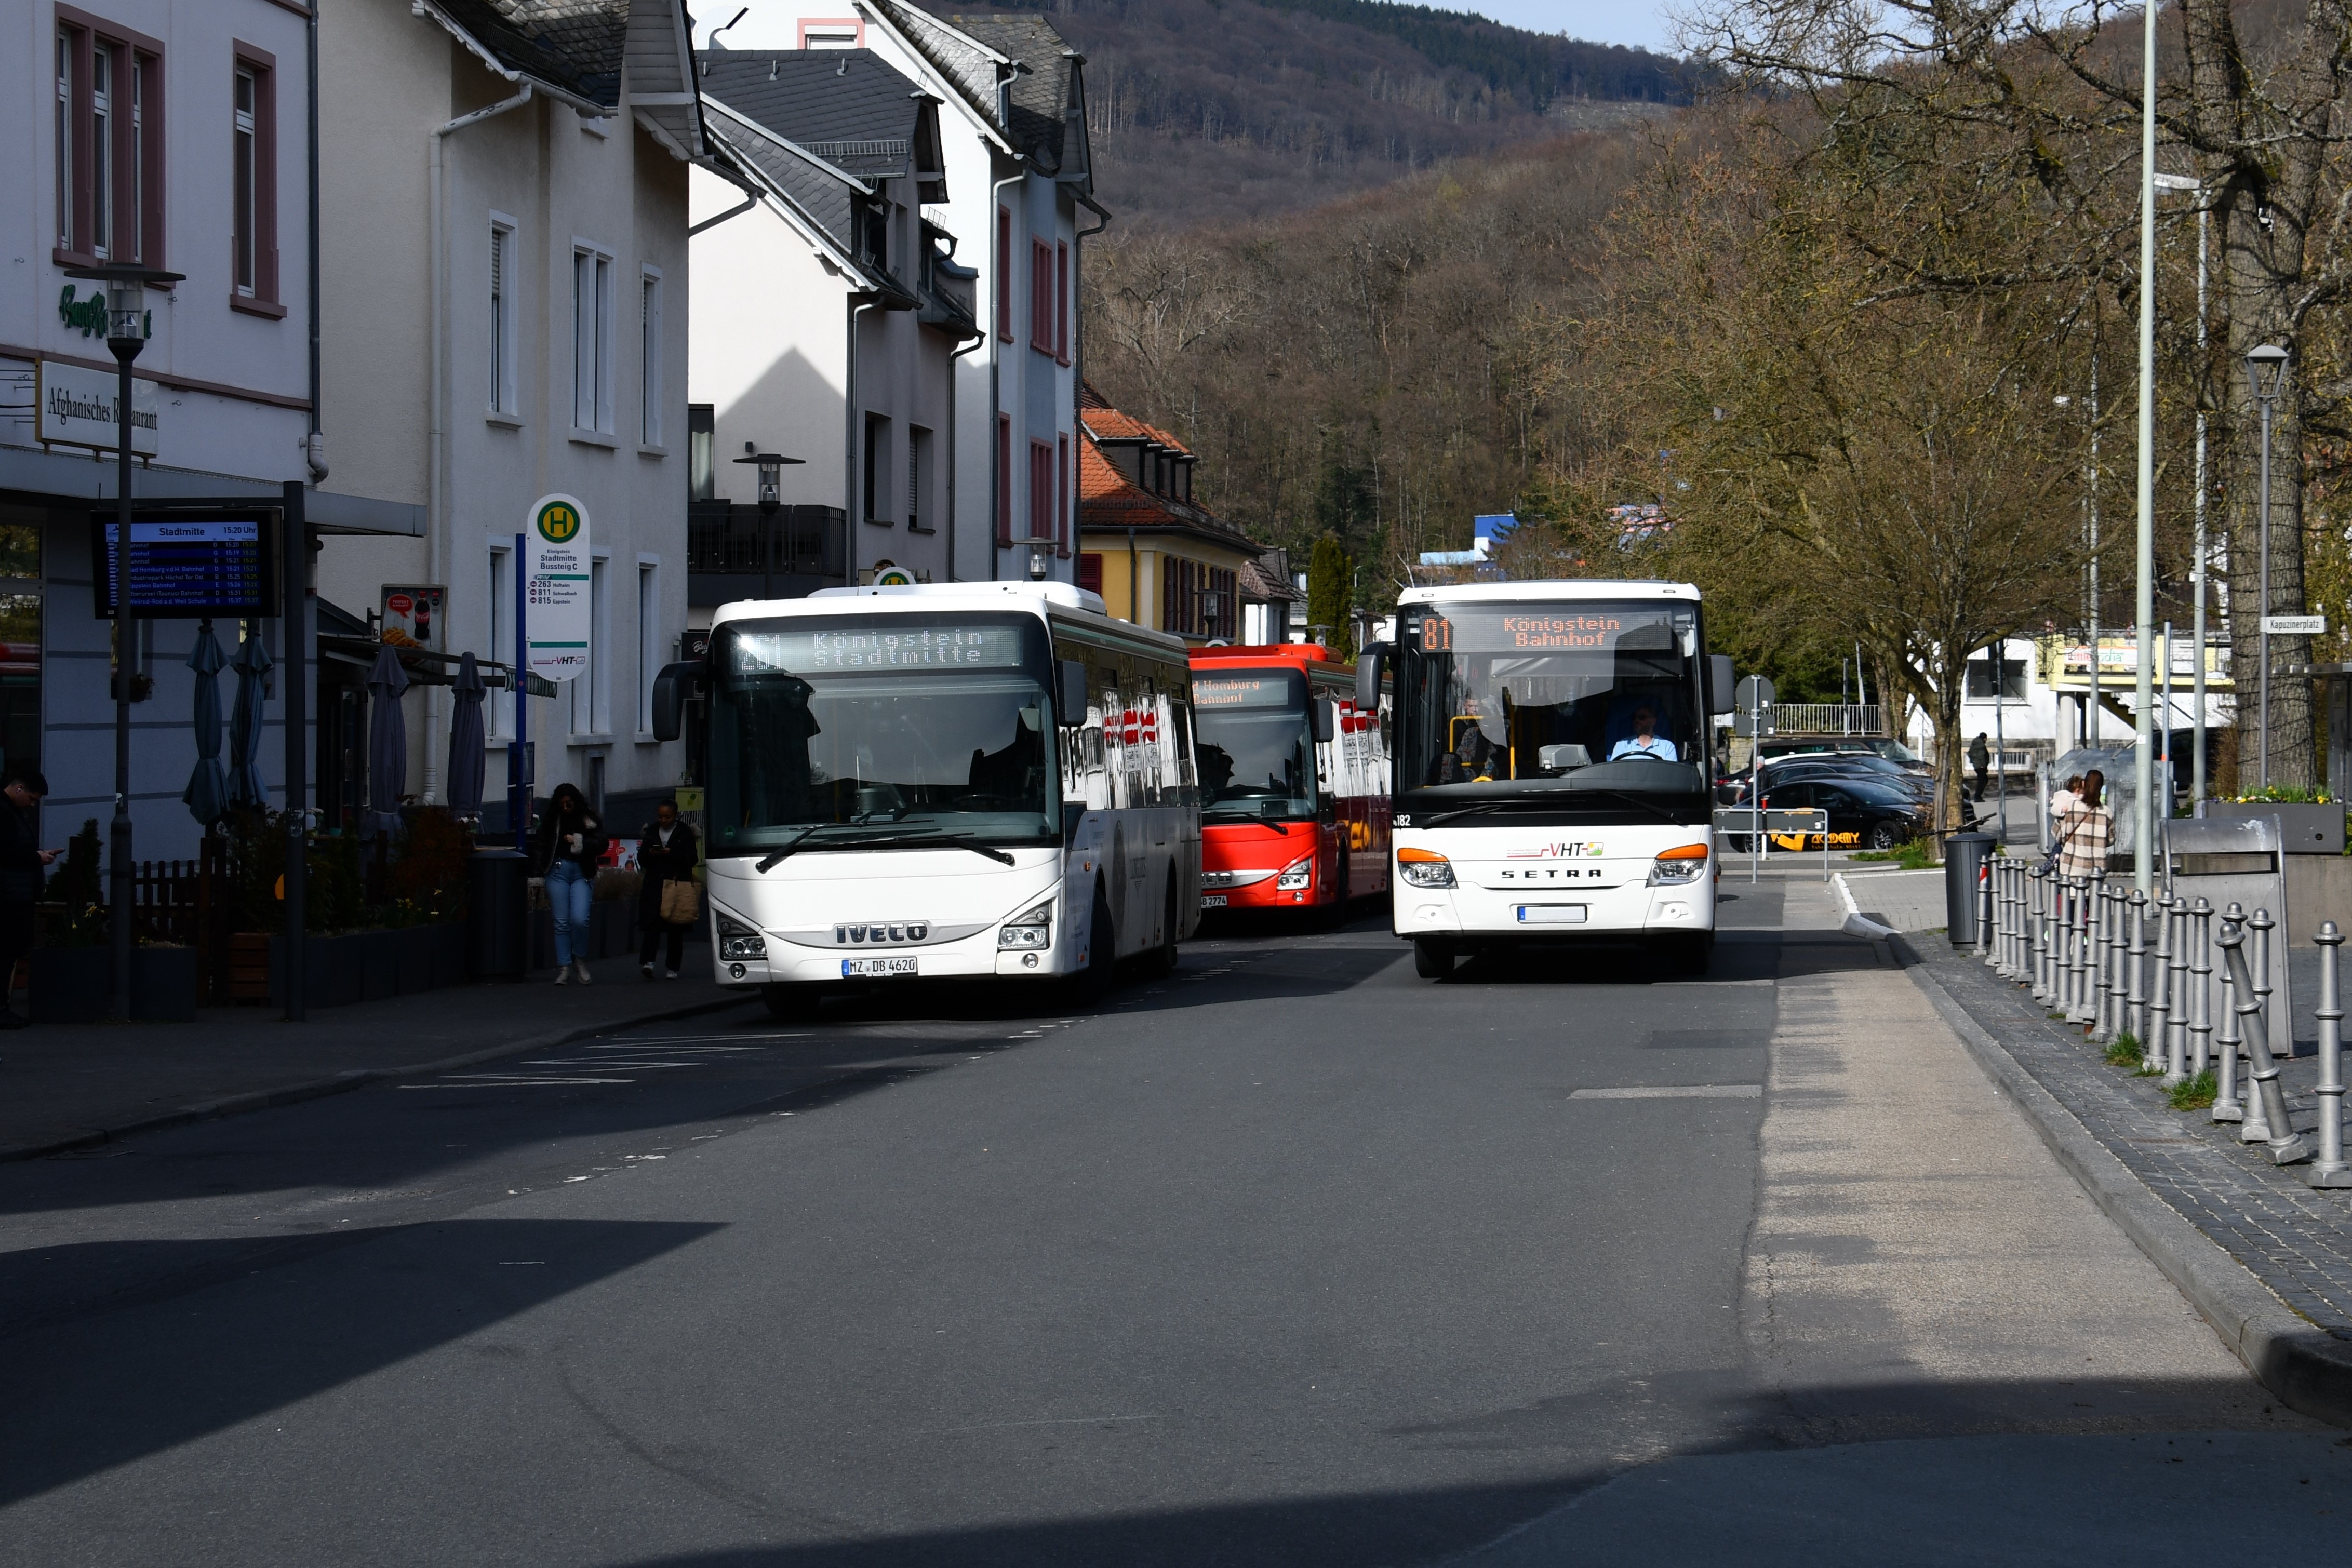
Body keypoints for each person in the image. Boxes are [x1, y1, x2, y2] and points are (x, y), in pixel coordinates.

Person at [0, 768, 58, 1029]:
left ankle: (3, 1007)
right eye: (32, 798)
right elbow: (7, 853)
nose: (33, 805)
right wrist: (37, 858)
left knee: (9, 952)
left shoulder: (14, 813)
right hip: (8, 896)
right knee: (5, 952)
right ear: (19, 788)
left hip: (15, 893)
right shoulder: (5, 813)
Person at [533, 783, 607, 984]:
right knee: (561, 922)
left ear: (576, 801)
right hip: (557, 871)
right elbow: (540, 843)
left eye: (569, 803)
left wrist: (579, 841)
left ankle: (579, 959)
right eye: (562, 804)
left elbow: (602, 843)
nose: (566, 808)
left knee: (580, 919)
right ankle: (564, 967)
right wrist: (540, 869)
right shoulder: (552, 820)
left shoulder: (587, 818)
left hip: (581, 872)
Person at [637, 799, 699, 981]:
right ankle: (648, 962)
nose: (663, 820)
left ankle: (673, 966)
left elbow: (691, 859)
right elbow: (642, 858)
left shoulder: (684, 832)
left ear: (675, 816)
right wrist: (651, 853)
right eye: (660, 817)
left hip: (675, 882)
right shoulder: (651, 832)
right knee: (652, 925)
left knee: (675, 927)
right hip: (654, 884)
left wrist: (671, 853)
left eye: (668, 817)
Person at [2054, 769, 2113, 878]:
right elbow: (2111, 840)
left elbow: (2057, 834)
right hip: (2097, 870)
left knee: (2071, 895)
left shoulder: (2071, 807)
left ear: (2084, 784)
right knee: (2094, 895)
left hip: (2072, 867)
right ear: (2101, 787)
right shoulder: (2106, 812)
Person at [1608, 706, 1678, 762]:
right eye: (1634, 718)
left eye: (1642, 717)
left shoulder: (1668, 747)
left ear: (1653, 721)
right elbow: (1614, 771)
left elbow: (1671, 774)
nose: (1637, 721)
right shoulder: (1622, 745)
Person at [1969, 732, 1992, 801]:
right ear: (1984, 738)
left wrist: (1974, 762)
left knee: (1983, 780)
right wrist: (1983, 765)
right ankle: (1977, 796)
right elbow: (1982, 756)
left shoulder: (1975, 745)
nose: (1986, 740)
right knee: (1982, 781)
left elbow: (1969, 754)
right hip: (1981, 766)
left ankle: (1978, 796)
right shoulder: (1980, 745)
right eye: (1986, 738)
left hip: (1977, 765)